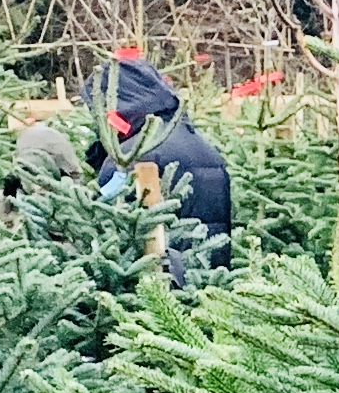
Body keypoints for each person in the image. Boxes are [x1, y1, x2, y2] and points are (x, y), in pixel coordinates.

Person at [90, 53, 233, 267]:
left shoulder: (131, 155)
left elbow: (104, 217)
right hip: (210, 271)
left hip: (159, 279)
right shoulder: (201, 143)